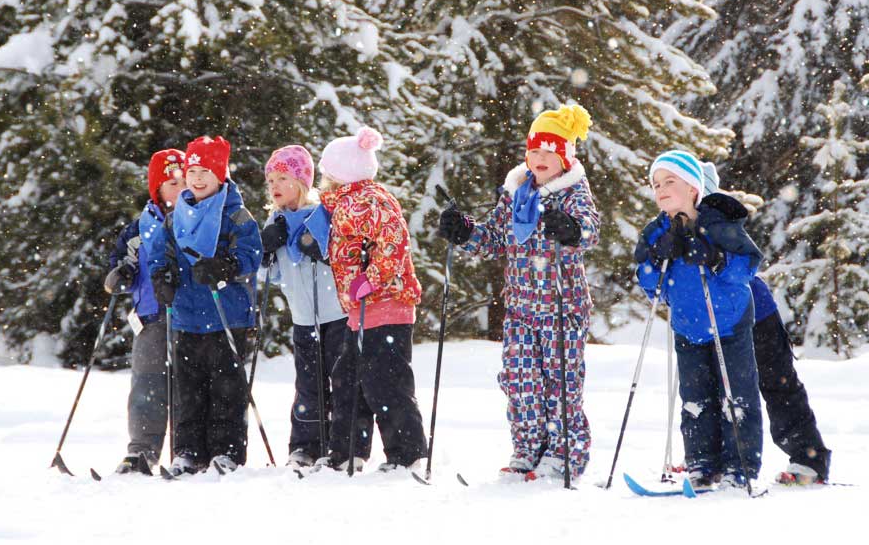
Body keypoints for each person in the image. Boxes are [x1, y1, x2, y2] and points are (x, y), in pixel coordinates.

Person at [438, 104, 600, 480]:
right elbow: (495, 239)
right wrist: (465, 231)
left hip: (563, 306)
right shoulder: (517, 194)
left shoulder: (573, 192)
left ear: (564, 156)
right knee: (520, 379)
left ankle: (564, 452)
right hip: (521, 309)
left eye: (549, 151)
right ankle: (528, 446)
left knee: (560, 381)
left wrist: (572, 229)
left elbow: (591, 230)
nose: (539, 158)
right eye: (534, 151)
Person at [634, 150, 763, 490]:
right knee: (695, 401)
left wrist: (716, 258)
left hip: (729, 325)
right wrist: (658, 257)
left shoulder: (718, 223)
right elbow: (649, 283)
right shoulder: (655, 232)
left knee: (736, 398)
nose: (661, 189)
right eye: (656, 183)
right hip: (688, 328)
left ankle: (740, 466)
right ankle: (702, 465)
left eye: (670, 181)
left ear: (693, 187)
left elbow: (748, 266)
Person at [701, 164, 832, 485]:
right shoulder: (673, 224)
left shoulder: (717, 220)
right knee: (715, 391)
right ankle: (712, 461)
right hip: (713, 322)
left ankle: (808, 458)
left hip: (756, 314)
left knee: (777, 383)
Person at [144, 136, 262, 475]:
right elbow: (160, 254)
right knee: (188, 390)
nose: (196, 178)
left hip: (226, 315)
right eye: (192, 170)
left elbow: (251, 254)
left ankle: (226, 452)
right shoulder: (176, 215)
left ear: (220, 175)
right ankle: (187, 451)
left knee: (227, 389)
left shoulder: (235, 214)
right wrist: (162, 278)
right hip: (186, 316)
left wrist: (226, 266)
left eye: (205, 172)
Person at [316, 126, 428, 472]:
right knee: (349, 380)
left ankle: (408, 453)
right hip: (361, 310)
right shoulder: (346, 202)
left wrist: (370, 278)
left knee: (386, 381)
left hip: (386, 303)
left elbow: (393, 242)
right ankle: (347, 451)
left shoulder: (368, 199)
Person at [258, 145, 347, 468]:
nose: (275, 186)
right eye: (270, 180)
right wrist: (267, 251)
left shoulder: (322, 212)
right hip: (303, 318)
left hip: (335, 314)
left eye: (283, 178)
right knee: (308, 385)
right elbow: (270, 273)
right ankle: (305, 446)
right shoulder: (275, 219)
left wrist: (319, 248)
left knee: (339, 382)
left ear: (302, 182)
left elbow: (338, 257)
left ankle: (339, 446)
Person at [107, 148, 184, 474]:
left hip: (188, 318)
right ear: (157, 189)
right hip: (151, 317)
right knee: (147, 386)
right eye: (172, 183)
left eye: (184, 182)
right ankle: (142, 451)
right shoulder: (138, 228)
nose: (180, 189)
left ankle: (187, 451)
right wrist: (121, 274)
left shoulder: (196, 221)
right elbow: (115, 270)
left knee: (187, 387)